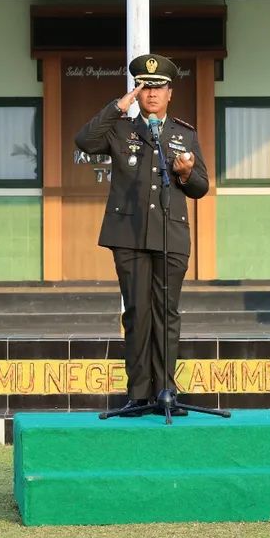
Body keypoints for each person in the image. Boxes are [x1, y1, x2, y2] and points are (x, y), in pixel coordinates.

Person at [75, 53, 208, 417]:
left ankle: (166, 390)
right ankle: (138, 394)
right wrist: (118, 106)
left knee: (167, 313)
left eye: (158, 87)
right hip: (129, 235)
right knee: (137, 313)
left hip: (171, 236)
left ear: (170, 93)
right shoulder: (121, 129)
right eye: (145, 87)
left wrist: (184, 173)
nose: (151, 94)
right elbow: (85, 141)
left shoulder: (185, 134)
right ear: (138, 91)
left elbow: (201, 187)